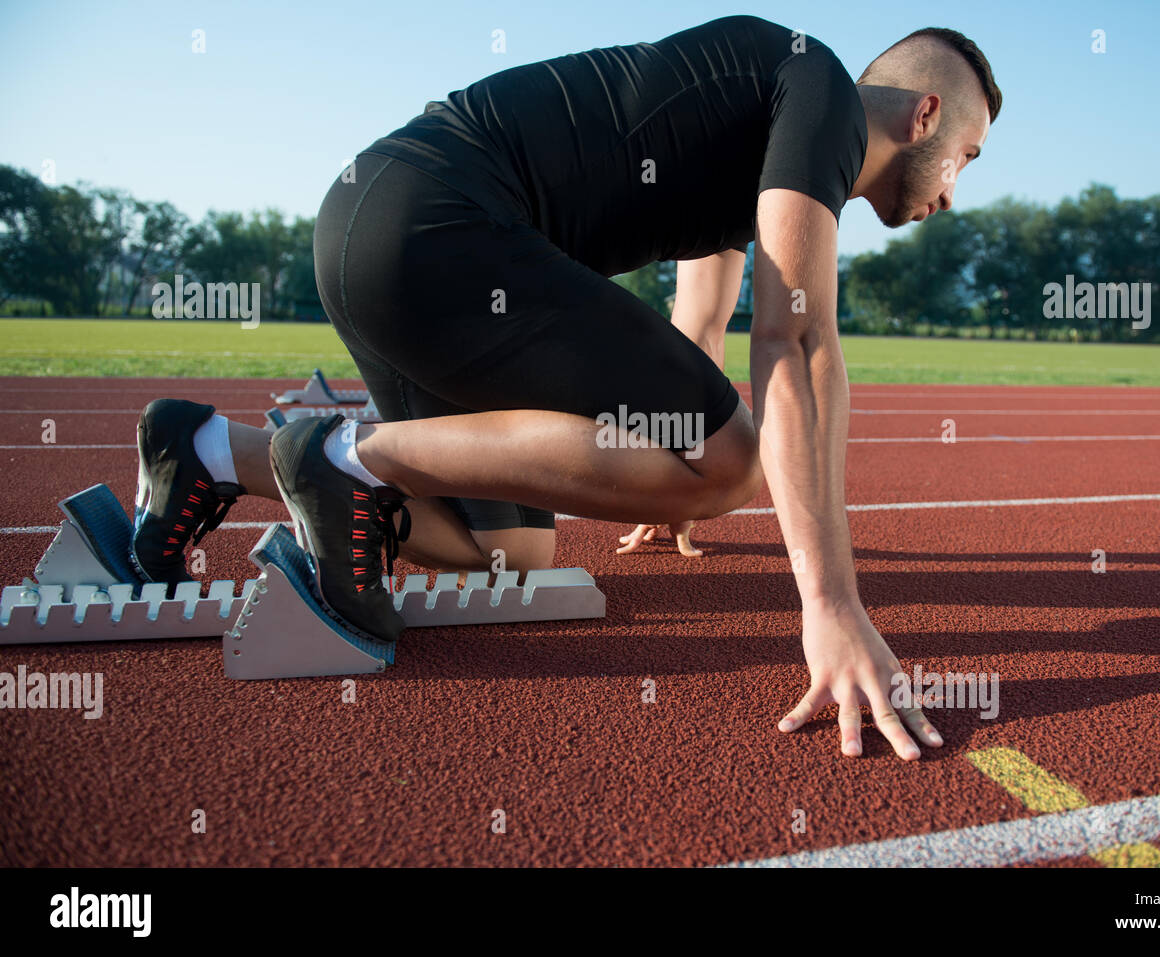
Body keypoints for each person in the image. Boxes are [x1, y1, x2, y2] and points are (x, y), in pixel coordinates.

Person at [130, 15, 1000, 760]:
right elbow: (799, 344)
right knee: (737, 463)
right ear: (924, 114)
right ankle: (340, 456)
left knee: (512, 555)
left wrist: (667, 483)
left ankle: (210, 451)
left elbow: (701, 328)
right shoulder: (823, 97)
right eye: (966, 154)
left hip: (372, 231)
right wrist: (832, 604)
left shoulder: (774, 135)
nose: (955, 193)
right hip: (438, 226)